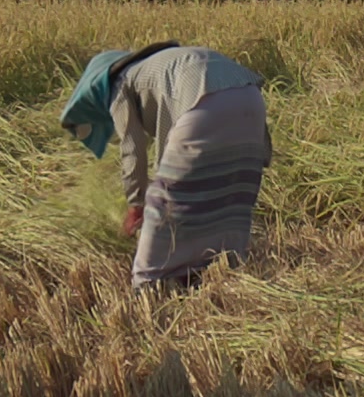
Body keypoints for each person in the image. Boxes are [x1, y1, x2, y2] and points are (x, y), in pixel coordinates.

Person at [61, 43, 271, 289]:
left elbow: (133, 150)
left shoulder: (121, 83)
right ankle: (223, 264)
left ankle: (147, 282)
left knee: (166, 200)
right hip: (250, 98)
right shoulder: (157, 66)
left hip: (202, 99)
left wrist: (136, 206)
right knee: (231, 185)